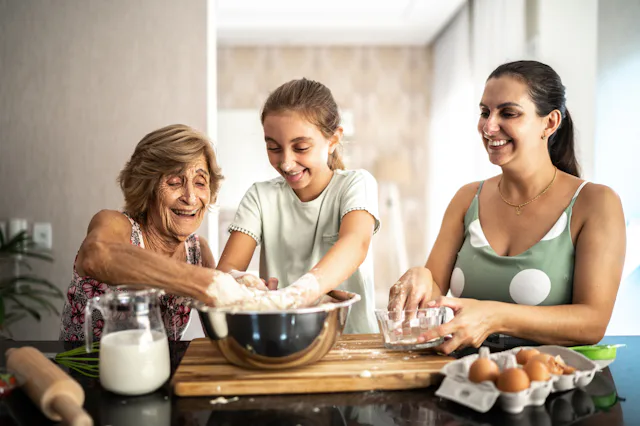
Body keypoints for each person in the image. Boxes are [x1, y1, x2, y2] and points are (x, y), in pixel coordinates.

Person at [388, 60, 626, 353]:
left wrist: (494, 316)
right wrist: (421, 278)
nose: (489, 126)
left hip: (551, 383)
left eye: (508, 113)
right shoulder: (467, 198)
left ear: (550, 122)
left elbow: (592, 322)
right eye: (485, 112)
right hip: (462, 379)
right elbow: (436, 291)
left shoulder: (595, 203)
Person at [216, 78, 381, 334]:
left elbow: (355, 244)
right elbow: (226, 272)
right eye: (273, 148)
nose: (286, 162)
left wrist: (298, 294)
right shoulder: (260, 197)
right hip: (282, 340)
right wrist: (242, 280)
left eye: (301, 147)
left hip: (353, 342)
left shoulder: (356, 185)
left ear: (333, 139)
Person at [60, 124, 225, 341]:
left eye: (200, 183)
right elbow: (95, 255)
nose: (191, 197)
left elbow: (222, 334)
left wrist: (252, 296)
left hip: (156, 369)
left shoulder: (198, 251)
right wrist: (200, 280)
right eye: (175, 182)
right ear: (146, 187)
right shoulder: (116, 224)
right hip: (86, 370)